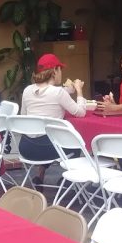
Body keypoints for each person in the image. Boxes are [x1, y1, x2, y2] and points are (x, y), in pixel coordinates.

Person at [19, 53, 87, 185]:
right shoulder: (58, 93)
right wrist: (79, 90)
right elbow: (80, 112)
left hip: (26, 148)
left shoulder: (27, 90)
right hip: (47, 149)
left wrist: (68, 90)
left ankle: (40, 176)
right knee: (74, 144)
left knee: (49, 137)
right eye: (60, 69)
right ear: (55, 71)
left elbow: (23, 116)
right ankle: (69, 179)